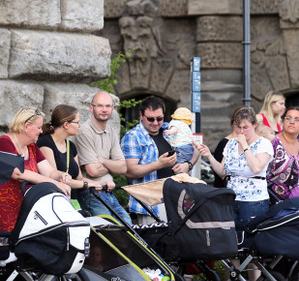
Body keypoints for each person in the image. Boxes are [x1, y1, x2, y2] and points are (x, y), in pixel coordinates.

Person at [199, 106, 273, 281]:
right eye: (237, 127)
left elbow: (256, 168)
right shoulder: (230, 144)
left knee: (252, 247)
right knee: (231, 245)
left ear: (254, 125)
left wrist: (245, 145)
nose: (241, 131)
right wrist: (209, 156)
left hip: (254, 200)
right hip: (232, 198)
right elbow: (223, 172)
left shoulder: (264, 144)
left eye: (245, 127)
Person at [121, 96, 199, 224]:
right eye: (150, 119)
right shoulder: (133, 136)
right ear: (141, 115)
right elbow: (130, 171)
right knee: (155, 242)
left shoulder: (170, 129)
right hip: (151, 203)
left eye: (159, 118)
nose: (156, 123)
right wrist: (158, 164)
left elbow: (195, 148)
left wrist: (187, 165)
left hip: (178, 199)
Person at [0, 107, 70, 232]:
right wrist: (56, 184)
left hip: (27, 211)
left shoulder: (32, 147)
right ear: (26, 126)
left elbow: (49, 172)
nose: (41, 131)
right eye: (38, 127)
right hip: (6, 211)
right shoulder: (4, 142)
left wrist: (61, 175)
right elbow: (18, 173)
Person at [74, 92, 132, 224]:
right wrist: (112, 166)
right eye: (100, 106)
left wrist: (103, 161)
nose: (104, 109)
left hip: (109, 191)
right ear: (91, 108)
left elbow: (123, 167)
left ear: (112, 108)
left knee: (128, 225)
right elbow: (92, 171)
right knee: (109, 230)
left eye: (107, 106)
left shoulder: (110, 131)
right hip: (91, 192)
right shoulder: (85, 131)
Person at [37, 105, 105, 209]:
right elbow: (55, 178)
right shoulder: (45, 143)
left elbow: (79, 177)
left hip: (73, 199)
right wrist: (88, 184)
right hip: (55, 201)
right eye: (77, 122)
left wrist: (100, 183)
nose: (80, 125)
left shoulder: (70, 146)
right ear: (66, 125)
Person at [266, 106, 299, 201]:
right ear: (282, 122)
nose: (292, 122)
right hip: (273, 203)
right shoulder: (273, 142)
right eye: (288, 118)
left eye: (297, 120)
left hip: (297, 204)